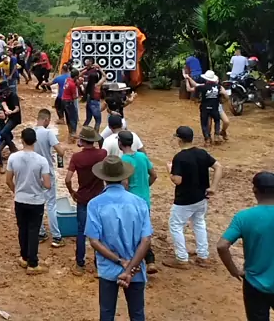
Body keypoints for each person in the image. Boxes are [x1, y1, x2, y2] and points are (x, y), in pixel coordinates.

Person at [217, 172, 274, 321]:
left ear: (254, 190)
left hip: (254, 284)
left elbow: (222, 246)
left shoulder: (243, 217)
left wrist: (234, 271)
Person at [85, 156, 153, 321]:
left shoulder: (95, 204)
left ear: (103, 178)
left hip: (108, 268)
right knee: (137, 314)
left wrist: (120, 261)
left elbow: (94, 241)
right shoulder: (140, 203)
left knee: (107, 313)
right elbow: (146, 240)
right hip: (136, 269)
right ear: (124, 177)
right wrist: (129, 269)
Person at [164, 126, 224, 269]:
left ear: (179, 140)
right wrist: (213, 187)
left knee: (175, 225)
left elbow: (177, 180)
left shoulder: (179, 157)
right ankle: (203, 256)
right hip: (201, 197)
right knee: (199, 223)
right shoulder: (201, 153)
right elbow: (218, 167)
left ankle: (182, 258)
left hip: (184, 199)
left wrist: (170, 171)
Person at [5, 128, 52, 275]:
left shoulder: (13, 158)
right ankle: (33, 263)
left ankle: (24, 257)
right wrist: (38, 185)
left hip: (20, 199)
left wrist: (17, 191)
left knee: (22, 229)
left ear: (22, 140)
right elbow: (47, 184)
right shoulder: (41, 160)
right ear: (35, 141)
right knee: (33, 231)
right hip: (36, 201)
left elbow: (8, 180)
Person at [65, 126, 108, 275]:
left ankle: (80, 264)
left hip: (83, 197)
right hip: (99, 197)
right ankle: (99, 265)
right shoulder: (102, 153)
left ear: (82, 141)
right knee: (99, 231)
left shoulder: (77, 157)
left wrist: (72, 192)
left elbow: (68, 179)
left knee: (81, 231)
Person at [119, 131, 158, 274]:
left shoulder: (123, 160)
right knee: (144, 230)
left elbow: (125, 183)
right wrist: (145, 186)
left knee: (131, 232)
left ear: (120, 143)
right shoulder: (142, 156)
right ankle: (150, 261)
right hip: (145, 199)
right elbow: (154, 175)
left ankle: (135, 262)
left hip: (131, 201)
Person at [33, 109, 67, 248]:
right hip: (47, 171)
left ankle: (41, 233)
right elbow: (60, 152)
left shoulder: (31, 132)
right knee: (51, 204)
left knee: (38, 202)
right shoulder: (48, 133)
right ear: (46, 120)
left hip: (34, 172)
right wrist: (62, 150)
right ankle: (56, 236)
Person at [184, 70, 227, 145]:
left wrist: (187, 80)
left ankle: (207, 139)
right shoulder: (218, 87)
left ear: (206, 79)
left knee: (204, 124)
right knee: (217, 121)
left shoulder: (202, 87)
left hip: (205, 108)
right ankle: (216, 135)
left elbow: (189, 89)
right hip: (215, 108)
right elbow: (226, 95)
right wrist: (223, 101)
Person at [82, 57, 105, 131]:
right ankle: (96, 135)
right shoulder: (97, 85)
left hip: (89, 101)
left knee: (88, 119)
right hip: (95, 102)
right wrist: (99, 68)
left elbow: (78, 74)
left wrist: (85, 68)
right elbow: (105, 76)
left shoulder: (87, 86)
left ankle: (82, 133)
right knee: (98, 121)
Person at [0, 81, 22, 154]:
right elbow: (4, 104)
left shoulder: (14, 96)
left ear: (7, 90)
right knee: (7, 134)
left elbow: (17, 108)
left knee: (3, 133)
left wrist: (12, 112)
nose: (3, 93)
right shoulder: (3, 96)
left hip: (15, 118)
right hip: (10, 117)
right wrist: (7, 110)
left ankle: (13, 148)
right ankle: (5, 145)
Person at [62, 68, 80, 142]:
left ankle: (70, 133)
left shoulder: (68, 80)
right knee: (74, 118)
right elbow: (74, 97)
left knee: (68, 118)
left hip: (64, 101)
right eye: (78, 76)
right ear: (75, 77)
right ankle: (73, 133)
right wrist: (80, 96)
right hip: (69, 102)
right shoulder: (72, 85)